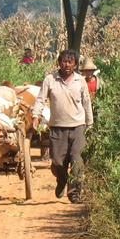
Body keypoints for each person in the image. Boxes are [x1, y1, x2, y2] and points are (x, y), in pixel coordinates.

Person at [32, 49, 93, 203]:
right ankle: (62, 180)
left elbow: (87, 102)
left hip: (78, 126)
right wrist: (36, 115)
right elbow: (40, 99)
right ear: (59, 63)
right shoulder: (50, 80)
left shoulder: (80, 81)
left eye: (70, 62)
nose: (66, 64)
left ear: (75, 64)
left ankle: (74, 193)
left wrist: (90, 122)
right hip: (57, 127)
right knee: (58, 162)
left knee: (77, 161)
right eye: (64, 61)